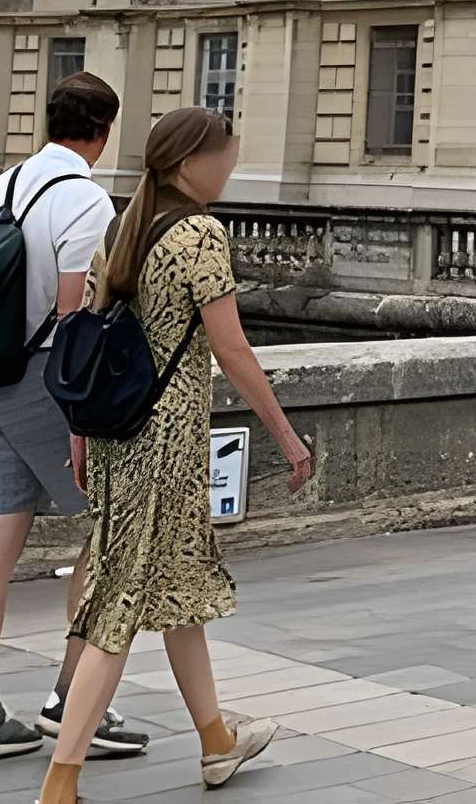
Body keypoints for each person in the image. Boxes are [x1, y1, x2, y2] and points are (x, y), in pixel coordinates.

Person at [35, 106, 315, 804]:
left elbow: (87, 332)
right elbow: (233, 350)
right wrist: (284, 433)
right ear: (192, 162)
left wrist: (79, 432)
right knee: (122, 605)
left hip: (114, 438)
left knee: (176, 586)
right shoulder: (199, 235)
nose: (230, 170)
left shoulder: (124, 227)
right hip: (164, 446)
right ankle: (60, 783)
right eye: (225, 158)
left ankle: (217, 741)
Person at [0, 73, 141, 769]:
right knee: (115, 524)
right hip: (41, 384)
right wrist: (78, 423)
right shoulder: (86, 200)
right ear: (103, 129)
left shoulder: (7, 184)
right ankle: (71, 695)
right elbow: (73, 320)